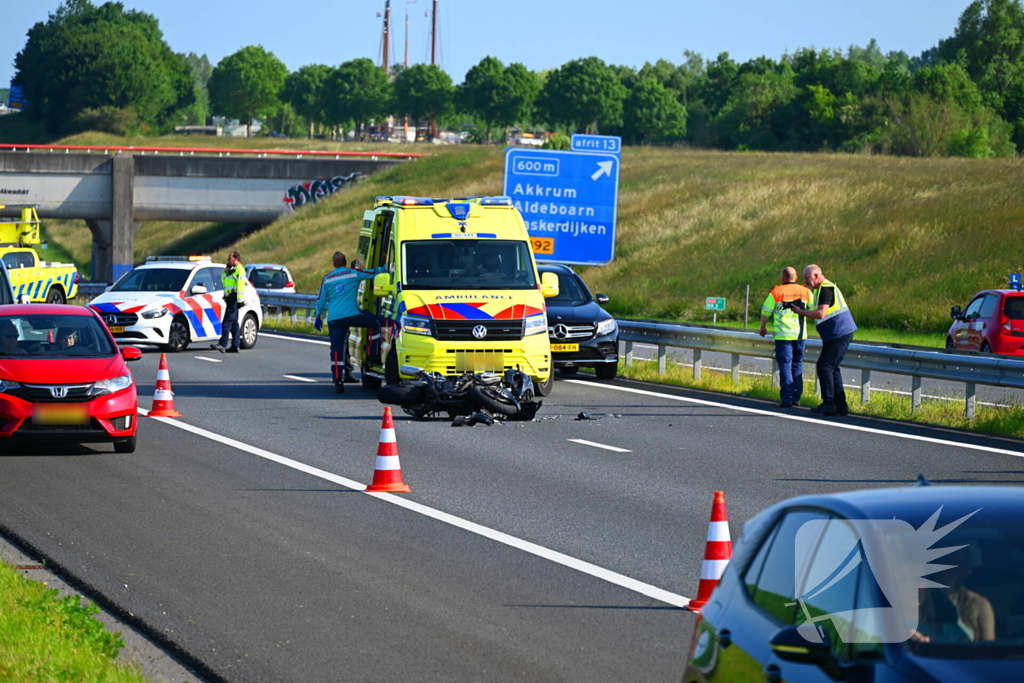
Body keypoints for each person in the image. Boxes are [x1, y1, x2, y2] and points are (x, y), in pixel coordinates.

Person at [314, 251, 387, 393]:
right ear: (346, 262)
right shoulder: (353, 273)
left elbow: (320, 301)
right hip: (352, 315)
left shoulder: (327, 279)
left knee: (336, 349)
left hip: (335, 319)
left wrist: (317, 317)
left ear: (333, 264)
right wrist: (388, 267)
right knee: (376, 323)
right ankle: (373, 353)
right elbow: (374, 272)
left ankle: (337, 379)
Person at [791, 264, 858, 416]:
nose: (806, 281)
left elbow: (820, 314)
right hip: (838, 332)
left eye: (807, 278)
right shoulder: (822, 289)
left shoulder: (826, 289)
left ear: (816, 276)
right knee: (832, 367)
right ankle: (840, 406)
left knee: (824, 366)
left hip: (838, 332)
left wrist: (801, 311)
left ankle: (829, 403)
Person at [759, 267, 812, 408]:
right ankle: (796, 397)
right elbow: (814, 309)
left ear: (783, 278)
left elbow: (766, 311)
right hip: (800, 335)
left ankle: (787, 398)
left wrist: (763, 327)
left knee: (785, 365)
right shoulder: (805, 291)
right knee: (797, 364)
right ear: (796, 278)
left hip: (783, 336)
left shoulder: (776, 292)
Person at [211, 251, 247, 353]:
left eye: (230, 258)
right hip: (230, 299)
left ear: (235, 258)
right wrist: (226, 271)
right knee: (234, 324)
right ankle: (235, 345)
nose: (228, 260)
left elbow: (241, 286)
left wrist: (240, 301)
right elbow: (224, 281)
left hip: (234, 299)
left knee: (227, 322)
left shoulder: (240, 270)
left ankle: (222, 344)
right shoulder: (233, 270)